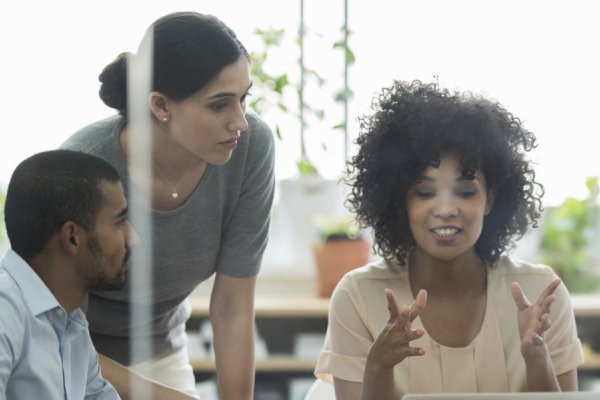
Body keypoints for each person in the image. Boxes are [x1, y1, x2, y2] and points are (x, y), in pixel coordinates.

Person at [314, 80, 585, 398]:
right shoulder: (358, 296)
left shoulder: (540, 294)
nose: (445, 209)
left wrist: (537, 357)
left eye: (466, 191)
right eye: (425, 192)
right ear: (401, 200)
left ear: (491, 199)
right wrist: (378, 367)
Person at [61, 11, 275, 399]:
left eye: (244, 99)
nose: (240, 121)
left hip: (161, 350)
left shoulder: (251, 147)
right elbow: (55, 328)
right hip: (71, 354)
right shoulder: (83, 167)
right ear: (160, 105)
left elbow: (232, 305)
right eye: (219, 105)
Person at [0, 149, 127, 399]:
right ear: (72, 237)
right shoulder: (5, 310)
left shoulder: (69, 323)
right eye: (119, 222)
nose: (131, 238)